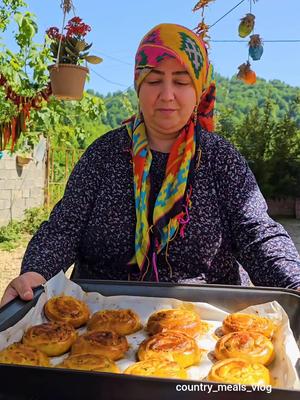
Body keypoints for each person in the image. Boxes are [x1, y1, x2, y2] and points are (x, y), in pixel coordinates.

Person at [1, 23, 300, 307]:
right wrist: (35, 273)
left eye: (181, 81)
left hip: (207, 325)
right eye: (154, 80)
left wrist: (293, 284)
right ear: (138, 86)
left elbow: (257, 234)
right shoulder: (102, 155)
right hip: (98, 322)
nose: (167, 95)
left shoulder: (220, 159)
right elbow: (64, 229)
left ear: (198, 90)